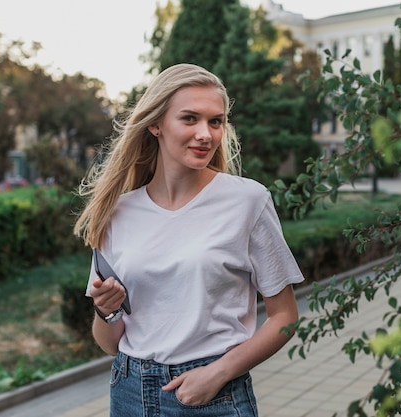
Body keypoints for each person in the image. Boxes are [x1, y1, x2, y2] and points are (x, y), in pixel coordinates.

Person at [73, 63, 304, 417]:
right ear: (155, 125)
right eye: (190, 119)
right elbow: (110, 344)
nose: (206, 134)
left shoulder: (248, 201)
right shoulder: (117, 212)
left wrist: (218, 373)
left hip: (213, 394)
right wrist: (105, 311)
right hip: (129, 391)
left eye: (215, 121)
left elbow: (285, 317)